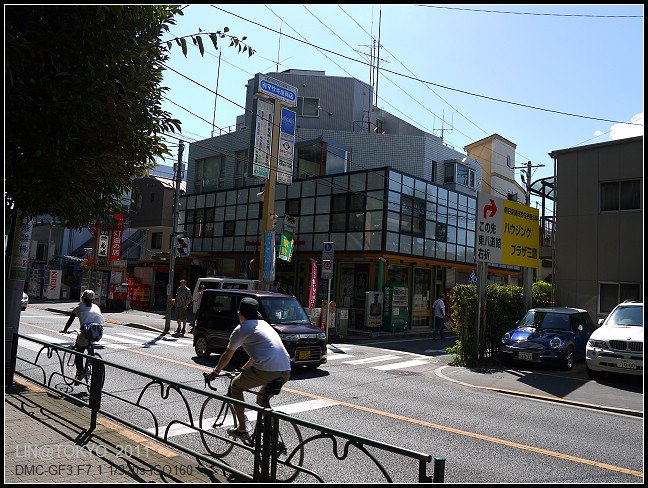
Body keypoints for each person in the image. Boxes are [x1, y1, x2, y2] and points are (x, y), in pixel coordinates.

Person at [206, 297, 291, 439]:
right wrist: (244, 368)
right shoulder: (264, 325)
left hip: (267, 369)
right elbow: (258, 354)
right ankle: (271, 433)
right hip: (286, 369)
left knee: (236, 387)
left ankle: (242, 429)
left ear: (240, 313)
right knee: (261, 400)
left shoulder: (242, 329)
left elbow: (227, 356)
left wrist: (215, 371)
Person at [60, 289, 104, 381]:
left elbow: (70, 320)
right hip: (98, 332)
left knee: (78, 352)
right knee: (89, 345)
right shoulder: (96, 307)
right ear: (93, 300)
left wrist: (64, 330)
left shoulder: (79, 308)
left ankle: (80, 372)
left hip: (85, 333)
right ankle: (91, 358)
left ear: (82, 299)